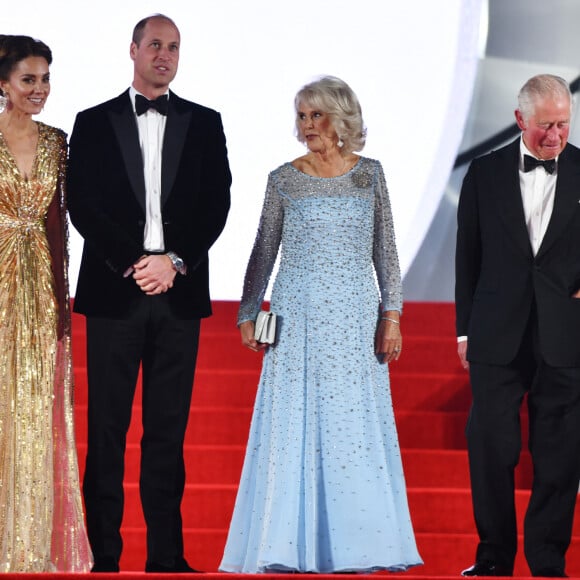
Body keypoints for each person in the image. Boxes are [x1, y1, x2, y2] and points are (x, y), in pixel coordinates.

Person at [219, 75, 422, 574]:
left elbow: (386, 253)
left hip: (355, 318)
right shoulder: (283, 179)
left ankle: (362, 546)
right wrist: (249, 312)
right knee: (295, 427)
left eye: (317, 115)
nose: (307, 125)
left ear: (342, 118)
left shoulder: (369, 176)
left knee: (353, 429)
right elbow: (264, 251)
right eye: (302, 116)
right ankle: (287, 546)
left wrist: (391, 316)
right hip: (298, 317)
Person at [67, 14, 231, 573]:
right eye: (155, 45)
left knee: (168, 433)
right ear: (133, 49)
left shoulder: (205, 123)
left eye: (174, 47)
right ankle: (104, 558)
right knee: (106, 431)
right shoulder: (92, 122)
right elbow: (84, 205)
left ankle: (167, 557)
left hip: (178, 295)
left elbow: (217, 206)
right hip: (117, 293)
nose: (165, 55)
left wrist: (175, 262)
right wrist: (138, 264)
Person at [455, 74, 580, 578]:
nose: (555, 136)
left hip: (566, 332)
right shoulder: (483, 173)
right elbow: (468, 256)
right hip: (495, 332)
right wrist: (464, 330)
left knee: (560, 452)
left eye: (564, 124)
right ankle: (493, 558)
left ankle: (548, 560)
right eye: (545, 125)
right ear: (519, 119)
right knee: (491, 447)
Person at [0, 35, 92, 572]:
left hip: (39, 294)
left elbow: (61, 227)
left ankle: (27, 548)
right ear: (4, 84)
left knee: (34, 413)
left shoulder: (58, 142)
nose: (39, 89)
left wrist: (62, 304)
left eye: (45, 79)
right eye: (29, 79)